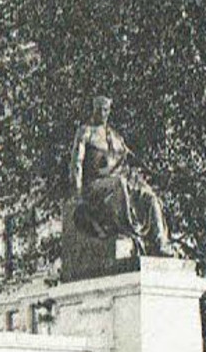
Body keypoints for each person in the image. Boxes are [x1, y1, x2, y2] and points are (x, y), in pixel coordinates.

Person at [71, 94, 172, 256]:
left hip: (119, 183)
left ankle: (161, 243)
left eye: (106, 110)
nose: (103, 113)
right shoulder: (85, 133)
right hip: (95, 185)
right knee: (120, 183)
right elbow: (76, 164)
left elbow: (134, 160)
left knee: (150, 197)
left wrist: (156, 175)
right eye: (99, 110)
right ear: (94, 110)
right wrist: (78, 193)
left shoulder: (116, 137)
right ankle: (130, 231)